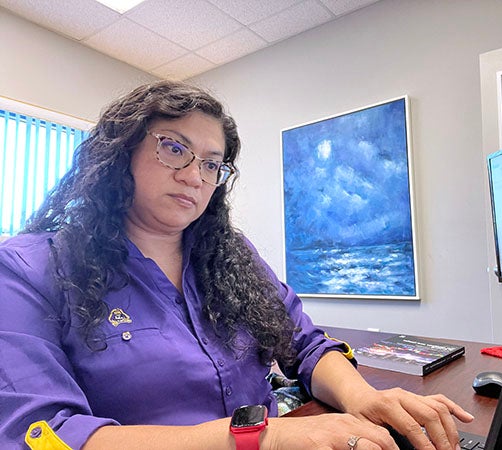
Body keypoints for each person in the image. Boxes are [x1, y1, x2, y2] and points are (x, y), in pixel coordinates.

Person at [0, 80, 473, 450]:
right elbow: (45, 434)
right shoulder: (30, 269)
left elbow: (304, 344)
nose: (194, 176)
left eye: (212, 164)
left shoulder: (231, 256)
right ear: (121, 151)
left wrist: (365, 399)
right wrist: (261, 438)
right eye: (174, 148)